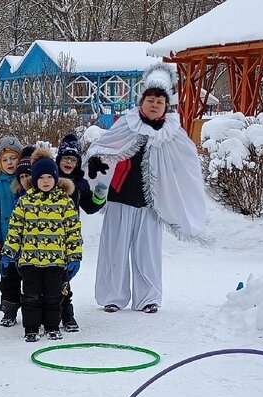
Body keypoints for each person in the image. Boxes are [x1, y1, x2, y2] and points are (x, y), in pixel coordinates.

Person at [85, 63, 206, 314]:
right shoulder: (126, 124)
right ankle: (113, 297)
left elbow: (186, 163)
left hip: (151, 203)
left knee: (148, 253)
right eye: (150, 100)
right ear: (142, 102)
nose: (154, 105)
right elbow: (103, 146)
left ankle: (148, 298)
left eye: (159, 102)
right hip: (120, 197)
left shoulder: (173, 133)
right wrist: (97, 160)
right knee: (114, 251)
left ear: (166, 106)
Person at [1, 148, 82, 342]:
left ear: (55, 178)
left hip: (56, 261)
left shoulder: (65, 203)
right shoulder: (25, 202)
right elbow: (15, 230)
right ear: (35, 180)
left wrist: (74, 256)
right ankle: (31, 328)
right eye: (41, 177)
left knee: (53, 297)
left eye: (49, 177)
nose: (45, 181)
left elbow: (73, 232)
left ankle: (52, 326)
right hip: (30, 261)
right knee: (30, 297)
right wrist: (8, 254)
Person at [54, 133, 105, 332]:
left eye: (73, 159)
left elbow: (90, 208)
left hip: (70, 236)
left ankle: (67, 316)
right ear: (59, 159)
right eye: (65, 158)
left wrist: (100, 196)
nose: (69, 162)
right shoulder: (50, 178)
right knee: (49, 276)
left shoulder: (80, 182)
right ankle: (48, 314)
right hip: (47, 235)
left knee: (65, 277)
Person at [0, 135, 24, 327]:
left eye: (13, 158)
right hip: (7, 242)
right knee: (9, 279)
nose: (9, 163)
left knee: (32, 278)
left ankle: (34, 310)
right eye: (5, 159)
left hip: (29, 242)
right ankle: (9, 310)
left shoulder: (27, 182)